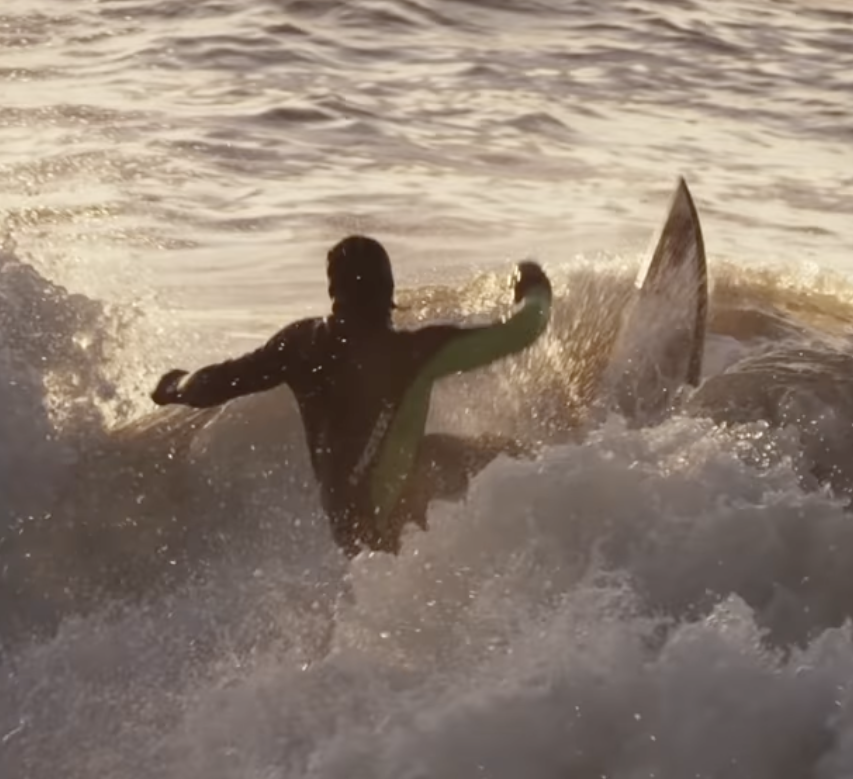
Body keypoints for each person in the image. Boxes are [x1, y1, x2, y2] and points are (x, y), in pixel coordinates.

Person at [150, 236, 552, 554]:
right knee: (507, 455)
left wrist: (173, 386)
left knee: (447, 450)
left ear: (333, 292)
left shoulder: (300, 344)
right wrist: (531, 281)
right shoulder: (412, 353)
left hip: (345, 524)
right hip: (387, 511)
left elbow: (216, 382)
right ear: (389, 291)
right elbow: (526, 328)